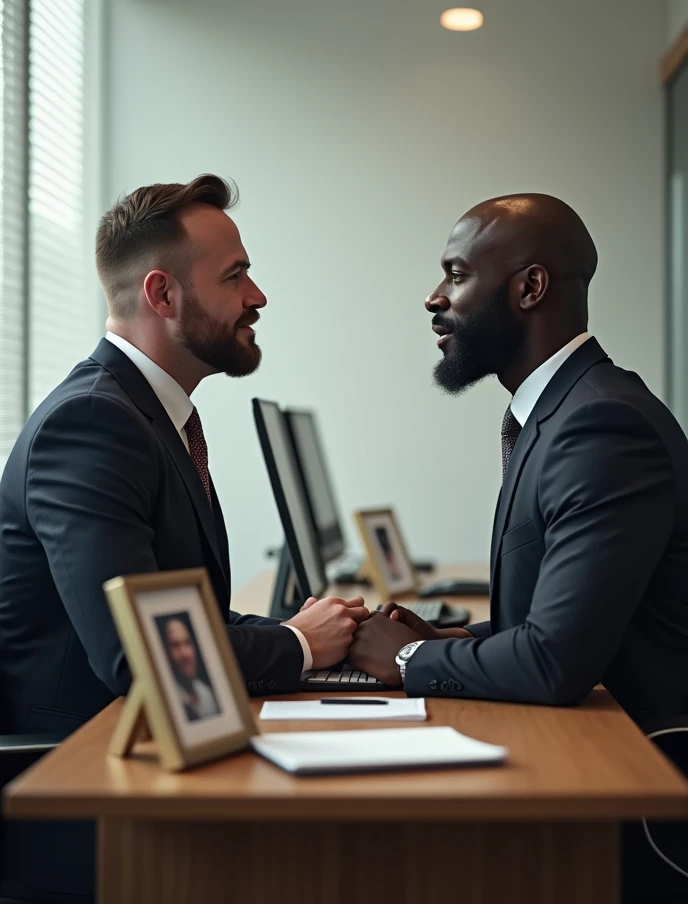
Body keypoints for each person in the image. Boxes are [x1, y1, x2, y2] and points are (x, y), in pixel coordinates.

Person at [0, 174, 368, 903]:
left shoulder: (144, 417)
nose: (257, 297)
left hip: (149, 760)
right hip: (88, 794)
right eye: (235, 277)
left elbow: (177, 608)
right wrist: (296, 646)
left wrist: (321, 634)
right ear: (163, 295)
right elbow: (140, 655)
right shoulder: (93, 425)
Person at [348, 193, 688, 901]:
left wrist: (410, 659)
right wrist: (449, 635)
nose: (434, 298)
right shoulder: (561, 412)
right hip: (602, 754)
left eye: (456, 274)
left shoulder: (600, 426)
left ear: (530, 288)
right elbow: (556, 617)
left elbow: (555, 660)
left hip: (643, 791)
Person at [161, 615, 219, 721]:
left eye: (187, 643)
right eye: (175, 646)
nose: (185, 654)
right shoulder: (167, 700)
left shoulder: (206, 693)